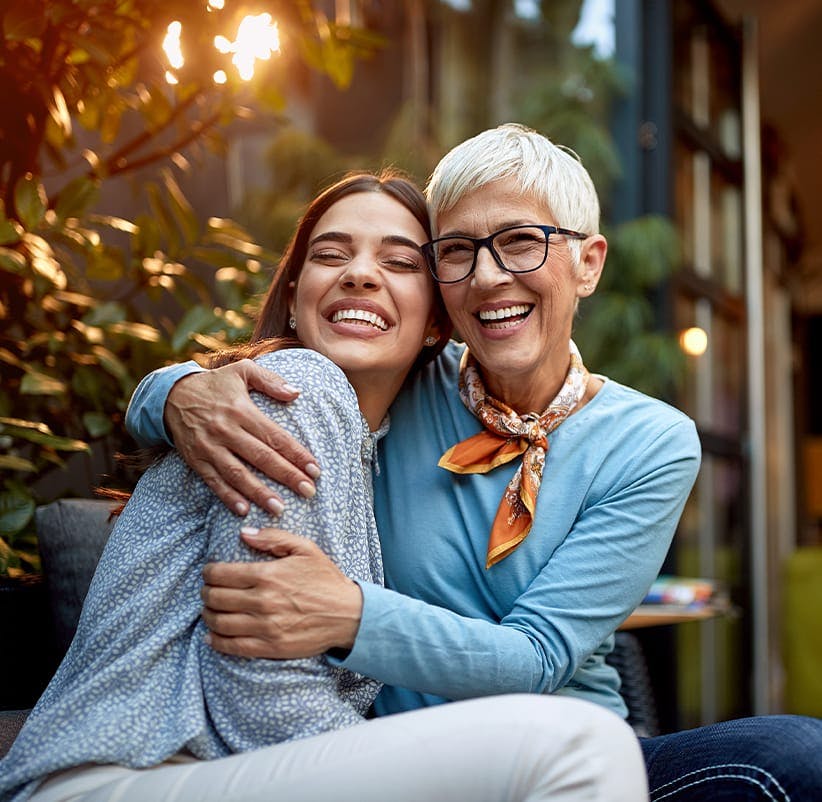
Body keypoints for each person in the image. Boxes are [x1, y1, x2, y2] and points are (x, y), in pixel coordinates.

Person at [127, 124, 822, 800]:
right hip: (404, 756)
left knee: (794, 757)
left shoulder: (652, 441)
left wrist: (350, 615)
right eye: (456, 251)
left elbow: (541, 657)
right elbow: (286, 372)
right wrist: (173, 392)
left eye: (520, 242)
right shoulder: (402, 375)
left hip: (572, 744)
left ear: (588, 262)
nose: (488, 278)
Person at [0, 171, 649, 802]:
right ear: (296, 291)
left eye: (398, 263)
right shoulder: (296, 391)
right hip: (127, 772)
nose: (359, 272)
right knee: (583, 748)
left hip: (215, 768)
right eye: (329, 254)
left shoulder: (381, 443)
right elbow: (262, 700)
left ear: (437, 320)